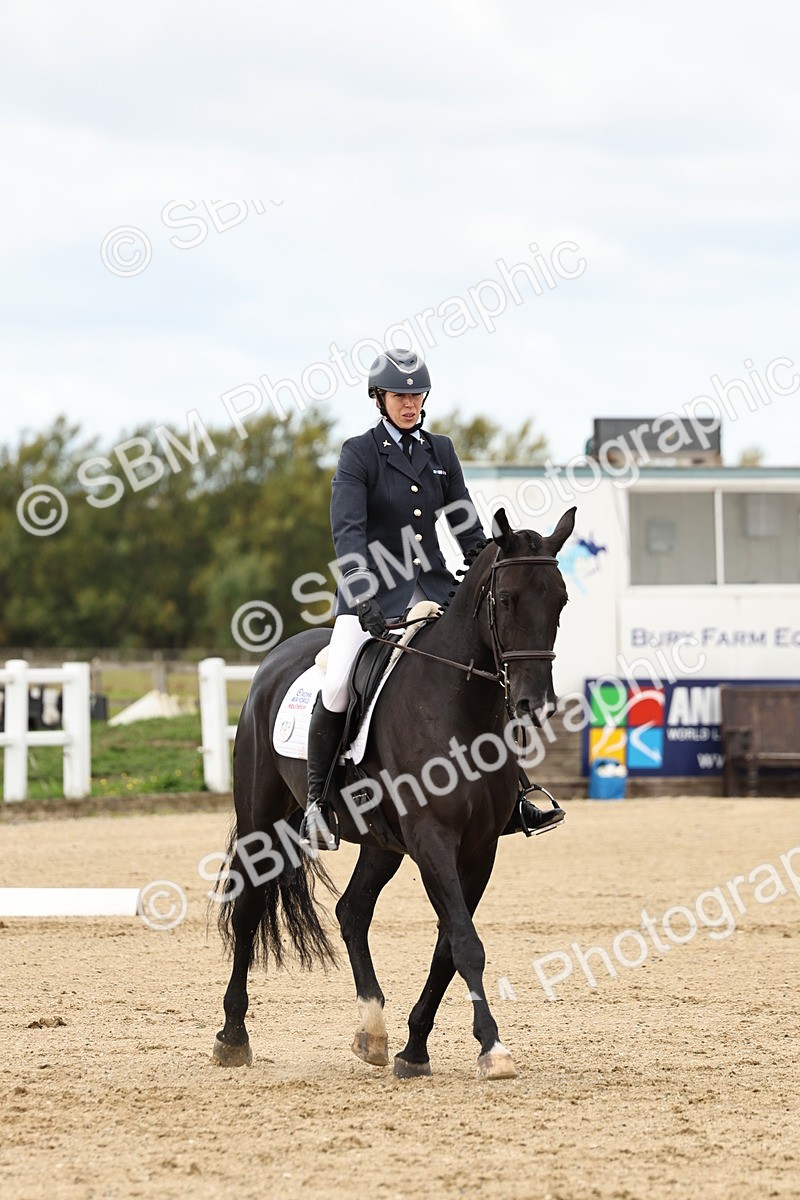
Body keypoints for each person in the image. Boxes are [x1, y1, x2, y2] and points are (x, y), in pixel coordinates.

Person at [300, 347, 560, 849]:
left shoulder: (440, 452)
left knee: (487, 673)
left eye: (417, 395)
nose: (409, 403)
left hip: (436, 590)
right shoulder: (359, 453)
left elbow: (465, 526)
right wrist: (362, 593)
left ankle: (512, 792)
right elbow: (348, 534)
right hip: (372, 597)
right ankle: (317, 804)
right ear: (379, 399)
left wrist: (491, 562)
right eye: (399, 396)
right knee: (336, 687)